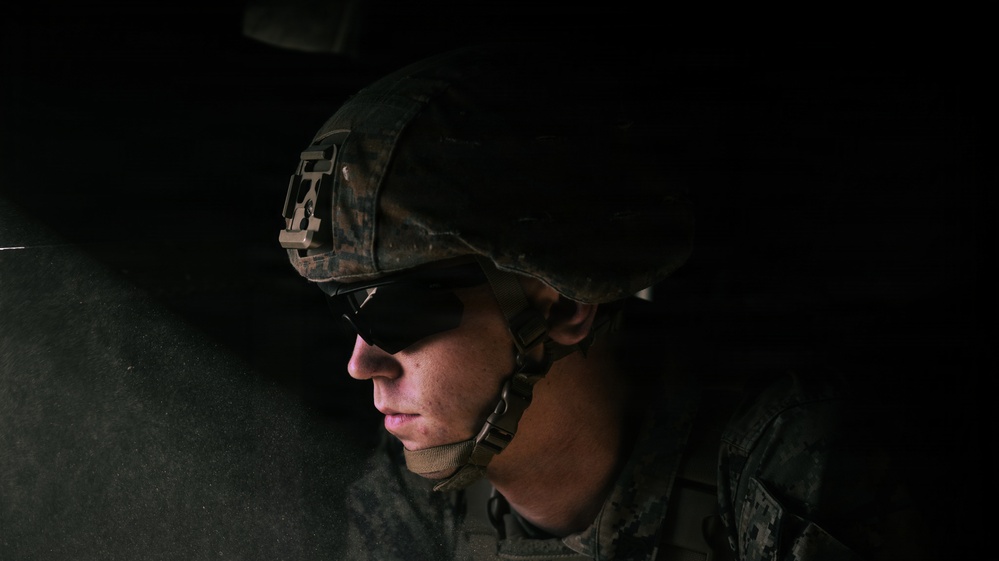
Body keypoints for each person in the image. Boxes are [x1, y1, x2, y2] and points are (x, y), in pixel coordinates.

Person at [277, 43, 928, 561]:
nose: (363, 363)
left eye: (395, 312)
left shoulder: (783, 463)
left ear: (562, 306)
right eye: (346, 311)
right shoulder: (413, 499)